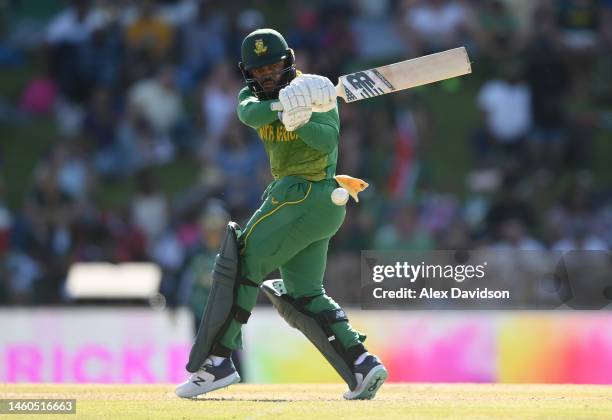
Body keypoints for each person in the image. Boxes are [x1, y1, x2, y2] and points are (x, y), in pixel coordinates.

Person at [175, 28, 387, 400]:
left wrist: (304, 117)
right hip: (318, 207)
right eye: (259, 71)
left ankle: (217, 362)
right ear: (248, 73)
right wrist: (286, 106)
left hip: (304, 191)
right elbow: (249, 114)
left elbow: (326, 142)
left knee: (239, 260)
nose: (267, 76)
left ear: (288, 61)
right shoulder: (255, 97)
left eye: (273, 67)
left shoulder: (319, 91)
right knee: (303, 294)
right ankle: (360, 364)